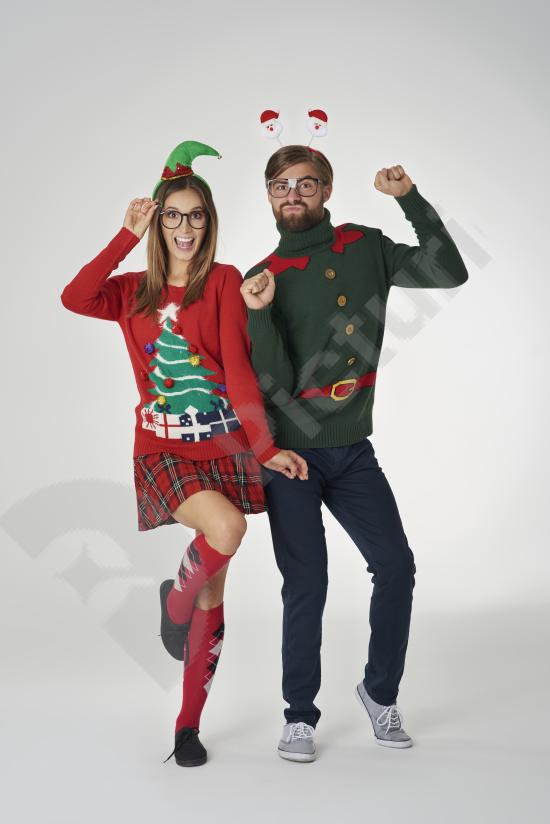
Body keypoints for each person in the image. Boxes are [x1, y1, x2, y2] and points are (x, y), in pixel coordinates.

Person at [60, 139, 307, 768]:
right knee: (226, 531)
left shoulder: (222, 282)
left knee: (212, 589)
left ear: (209, 221)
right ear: (159, 222)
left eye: (196, 215)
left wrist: (264, 446)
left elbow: (240, 372)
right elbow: (75, 297)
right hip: (162, 451)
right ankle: (173, 600)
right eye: (173, 215)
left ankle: (187, 726)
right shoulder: (132, 292)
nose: (185, 227)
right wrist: (125, 235)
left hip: (223, 448)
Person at [241, 144, 468, 762]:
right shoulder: (261, 276)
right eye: (281, 185)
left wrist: (409, 200)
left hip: (352, 453)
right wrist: (258, 315)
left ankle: (379, 692)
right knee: (306, 582)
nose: (294, 194)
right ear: (268, 195)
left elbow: (449, 271)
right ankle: (299, 715)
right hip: (290, 458)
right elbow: (273, 385)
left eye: (306, 183)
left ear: (327, 189)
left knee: (396, 567)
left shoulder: (366, 246)